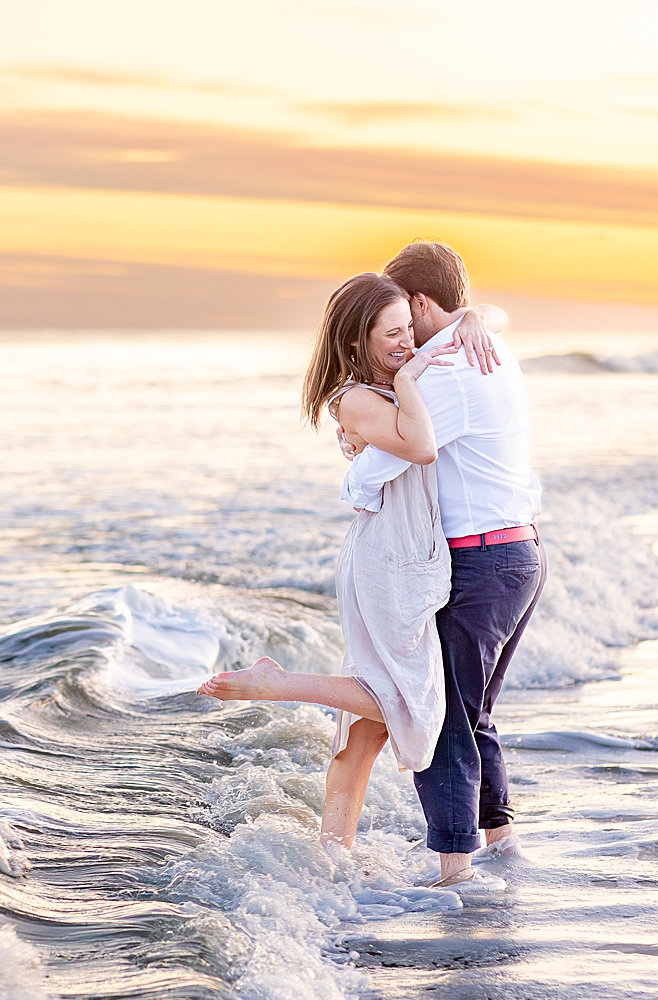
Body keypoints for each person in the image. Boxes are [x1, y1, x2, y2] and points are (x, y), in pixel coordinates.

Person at [197, 271, 508, 853]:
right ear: (357, 341)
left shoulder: (388, 384)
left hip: (402, 551)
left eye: (408, 331)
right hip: (392, 559)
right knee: (418, 702)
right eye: (391, 335)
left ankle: (332, 855)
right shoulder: (358, 399)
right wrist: (413, 377)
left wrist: (468, 318)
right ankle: (278, 683)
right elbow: (421, 445)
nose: (406, 344)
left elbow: (490, 315)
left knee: (366, 729)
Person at [347, 240, 545, 891]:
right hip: (519, 555)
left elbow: (378, 471)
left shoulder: (450, 373)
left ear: (425, 303)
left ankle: (454, 874)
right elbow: (487, 320)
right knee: (474, 711)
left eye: (405, 318)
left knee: (443, 718)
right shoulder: (489, 348)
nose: (402, 335)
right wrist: (477, 317)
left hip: (481, 566)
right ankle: (501, 842)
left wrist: (356, 459)